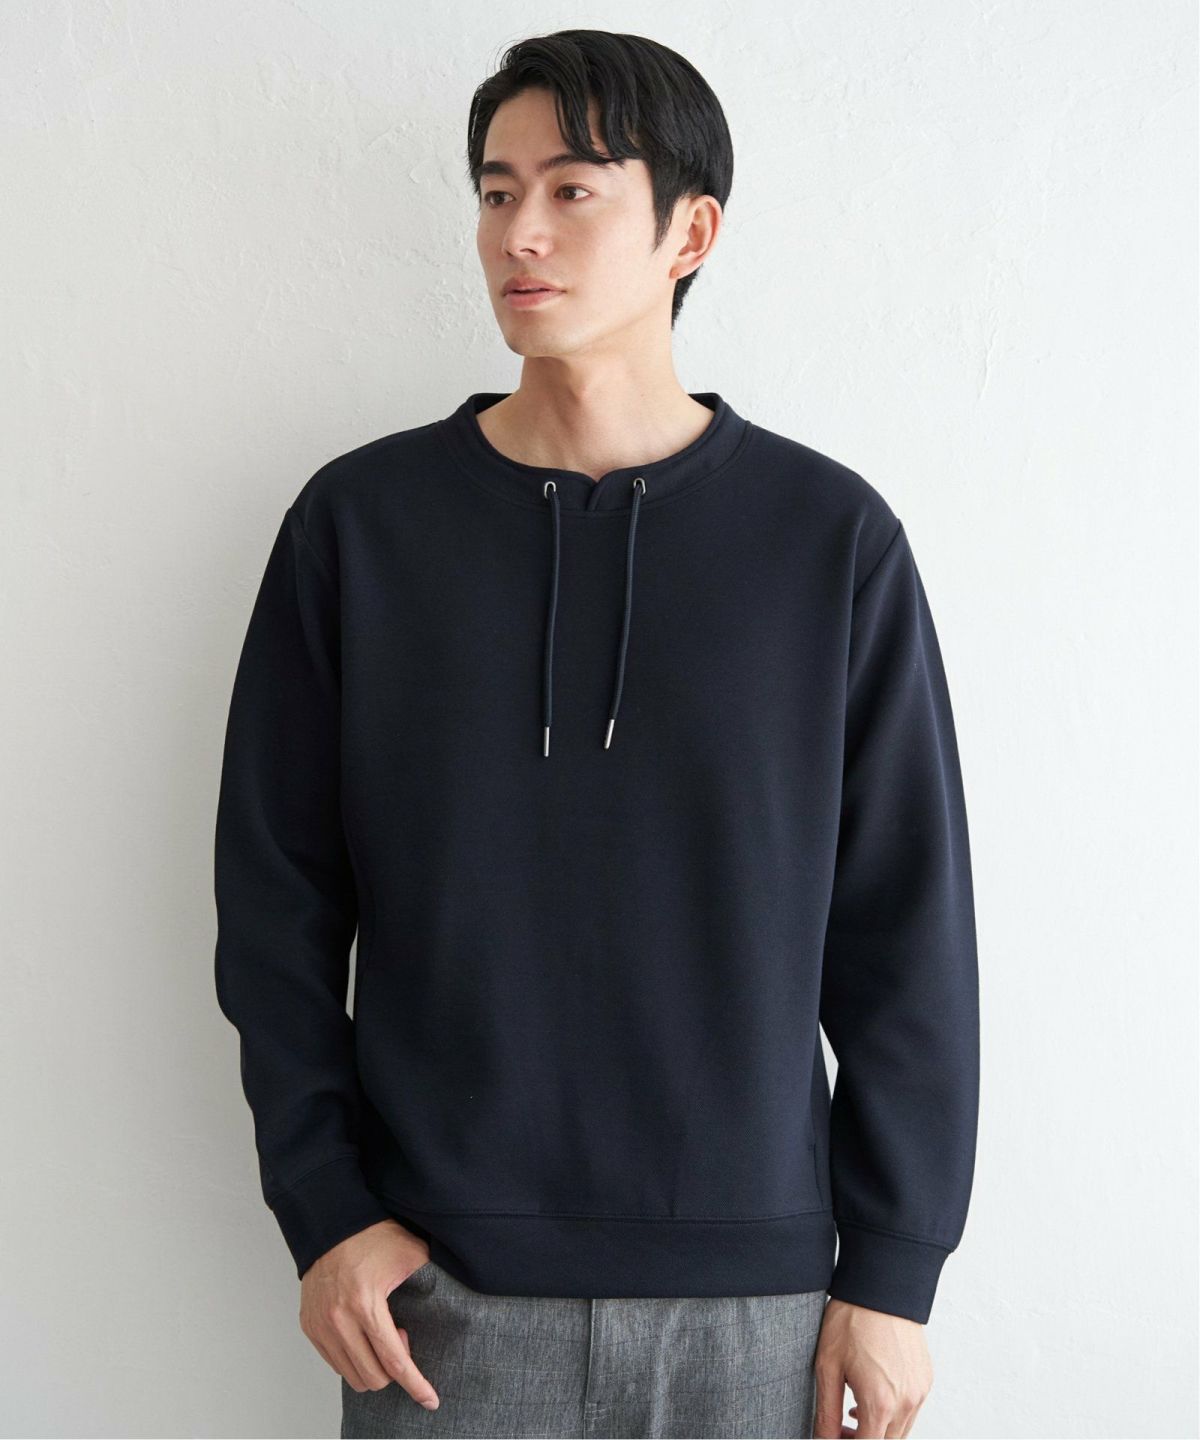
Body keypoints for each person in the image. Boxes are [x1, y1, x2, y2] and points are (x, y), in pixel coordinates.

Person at [213, 29, 979, 1440]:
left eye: (572, 190)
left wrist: (893, 1272)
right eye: (496, 191)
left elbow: (906, 929)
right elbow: (275, 906)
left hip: (760, 1305)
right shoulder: (361, 529)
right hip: (439, 1303)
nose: (521, 231)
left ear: (692, 231)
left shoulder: (827, 541)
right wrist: (324, 1213)